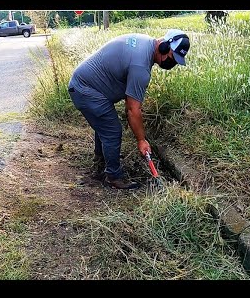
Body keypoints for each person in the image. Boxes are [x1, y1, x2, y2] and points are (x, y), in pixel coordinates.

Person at [68, 29, 190, 190]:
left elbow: (131, 101)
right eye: (172, 59)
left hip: (84, 85)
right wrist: (141, 140)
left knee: (104, 125)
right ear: (163, 47)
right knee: (112, 131)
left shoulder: (144, 44)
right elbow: (133, 110)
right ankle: (113, 177)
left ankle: (100, 163)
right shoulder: (141, 66)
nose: (171, 64)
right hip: (86, 90)